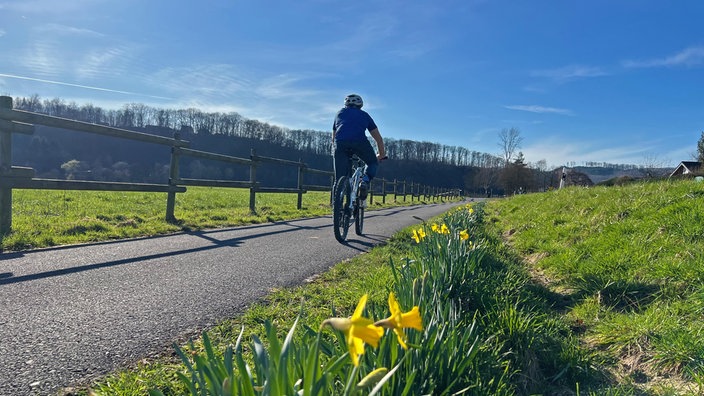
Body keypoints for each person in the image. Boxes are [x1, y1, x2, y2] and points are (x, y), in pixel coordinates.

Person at [332, 94, 386, 200]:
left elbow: (333, 137)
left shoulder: (339, 114)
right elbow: (378, 139)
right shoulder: (364, 115)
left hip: (340, 144)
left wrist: (335, 150)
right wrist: (381, 155)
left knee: (339, 180)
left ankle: (336, 208)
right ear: (360, 105)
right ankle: (364, 181)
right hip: (359, 142)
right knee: (372, 162)